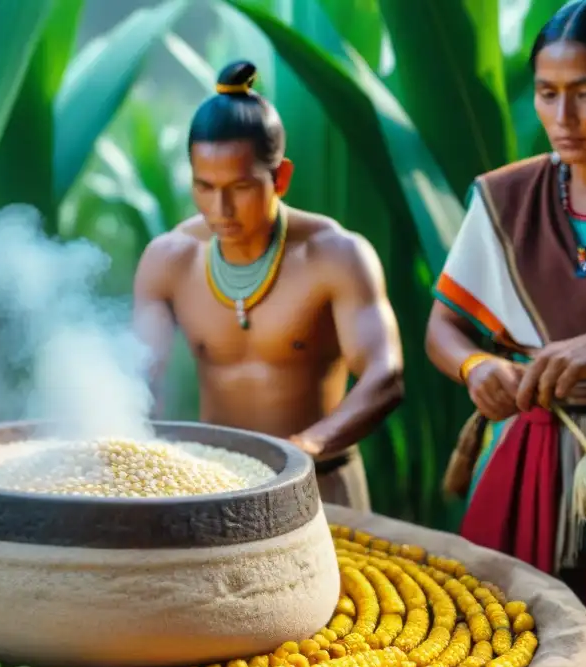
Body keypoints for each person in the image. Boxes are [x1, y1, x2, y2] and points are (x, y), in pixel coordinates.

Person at [425, 0, 586, 655]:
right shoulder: (507, 197)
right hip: (525, 454)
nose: (562, 117)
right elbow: (444, 328)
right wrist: (478, 367)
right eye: (548, 94)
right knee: (501, 645)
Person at [132, 60, 405, 511]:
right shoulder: (169, 259)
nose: (219, 207)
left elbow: (385, 376)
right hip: (218, 489)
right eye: (204, 185)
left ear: (281, 178)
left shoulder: (336, 254)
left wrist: (305, 449)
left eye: (239, 187)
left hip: (323, 486)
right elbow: (142, 374)